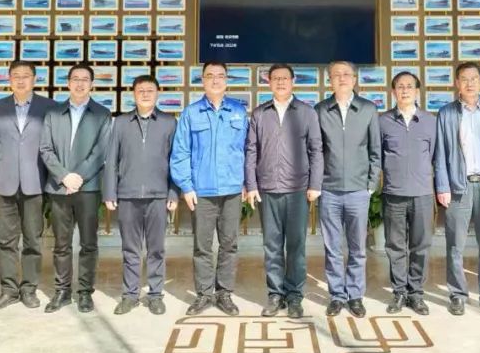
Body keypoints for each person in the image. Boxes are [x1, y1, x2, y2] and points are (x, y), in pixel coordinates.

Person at [245, 64, 323, 319]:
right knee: (272, 245)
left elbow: (316, 150)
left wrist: (315, 184)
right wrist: (251, 185)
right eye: (275, 78)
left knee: (297, 246)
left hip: (298, 189)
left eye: (285, 78)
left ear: (293, 81)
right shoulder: (260, 113)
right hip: (268, 189)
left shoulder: (307, 112)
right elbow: (251, 150)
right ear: (268, 82)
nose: (280, 82)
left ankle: (295, 296)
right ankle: (275, 294)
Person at [171, 61, 249, 316]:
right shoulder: (191, 113)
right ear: (202, 80)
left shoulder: (238, 111)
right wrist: (186, 186)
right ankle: (204, 294)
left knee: (229, 244)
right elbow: (180, 152)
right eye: (210, 76)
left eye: (220, 76)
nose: (215, 80)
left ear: (227, 80)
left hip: (232, 190)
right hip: (201, 191)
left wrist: (247, 182)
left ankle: (224, 293)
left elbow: (248, 150)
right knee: (202, 246)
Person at [433, 62, 480, 316]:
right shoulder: (447, 113)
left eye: (474, 78)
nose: (469, 83)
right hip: (459, 186)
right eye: (464, 79)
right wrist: (442, 186)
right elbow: (441, 154)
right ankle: (457, 294)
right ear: (457, 83)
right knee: (455, 244)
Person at [0, 60, 56, 311]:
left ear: (34, 79)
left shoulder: (49, 107)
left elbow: (53, 147)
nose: (21, 80)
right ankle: (8, 290)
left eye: (26, 75)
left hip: (35, 183)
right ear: (9, 79)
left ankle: (29, 289)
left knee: (33, 241)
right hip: (3, 184)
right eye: (16, 75)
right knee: (6, 241)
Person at [39, 63, 112, 313]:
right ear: (68, 83)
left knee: (89, 243)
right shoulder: (53, 113)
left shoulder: (102, 114)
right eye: (75, 79)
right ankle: (62, 291)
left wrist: (78, 177)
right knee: (61, 243)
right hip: (59, 188)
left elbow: (101, 151)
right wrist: (64, 176)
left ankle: (85, 292)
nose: (80, 83)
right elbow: (45, 149)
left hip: (88, 188)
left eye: (85, 79)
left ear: (92, 84)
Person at [104, 75, 179, 316]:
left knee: (156, 249)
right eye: (140, 90)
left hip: (159, 196)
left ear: (157, 93)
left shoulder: (169, 122)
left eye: (150, 90)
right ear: (133, 94)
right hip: (128, 195)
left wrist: (173, 192)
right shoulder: (121, 122)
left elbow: (175, 161)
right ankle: (130, 295)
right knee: (130, 249)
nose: (145, 94)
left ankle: (155, 295)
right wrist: (110, 191)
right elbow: (111, 160)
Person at [315, 60, 382, 318]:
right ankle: (337, 296)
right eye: (336, 74)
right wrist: (317, 184)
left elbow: (375, 151)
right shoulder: (321, 110)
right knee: (332, 247)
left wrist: (370, 185)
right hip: (329, 190)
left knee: (358, 248)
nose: (342, 78)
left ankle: (355, 296)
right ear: (329, 80)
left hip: (358, 191)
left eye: (346, 74)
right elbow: (315, 151)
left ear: (354, 79)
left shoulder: (368, 109)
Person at [378, 71, 436, 316]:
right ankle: (399, 292)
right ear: (393, 92)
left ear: (417, 91)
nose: (404, 90)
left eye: (409, 86)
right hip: (394, 193)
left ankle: (416, 293)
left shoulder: (430, 121)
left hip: (422, 194)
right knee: (395, 246)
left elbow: (434, 156)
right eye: (400, 86)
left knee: (421, 245)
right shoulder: (383, 121)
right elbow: (378, 156)